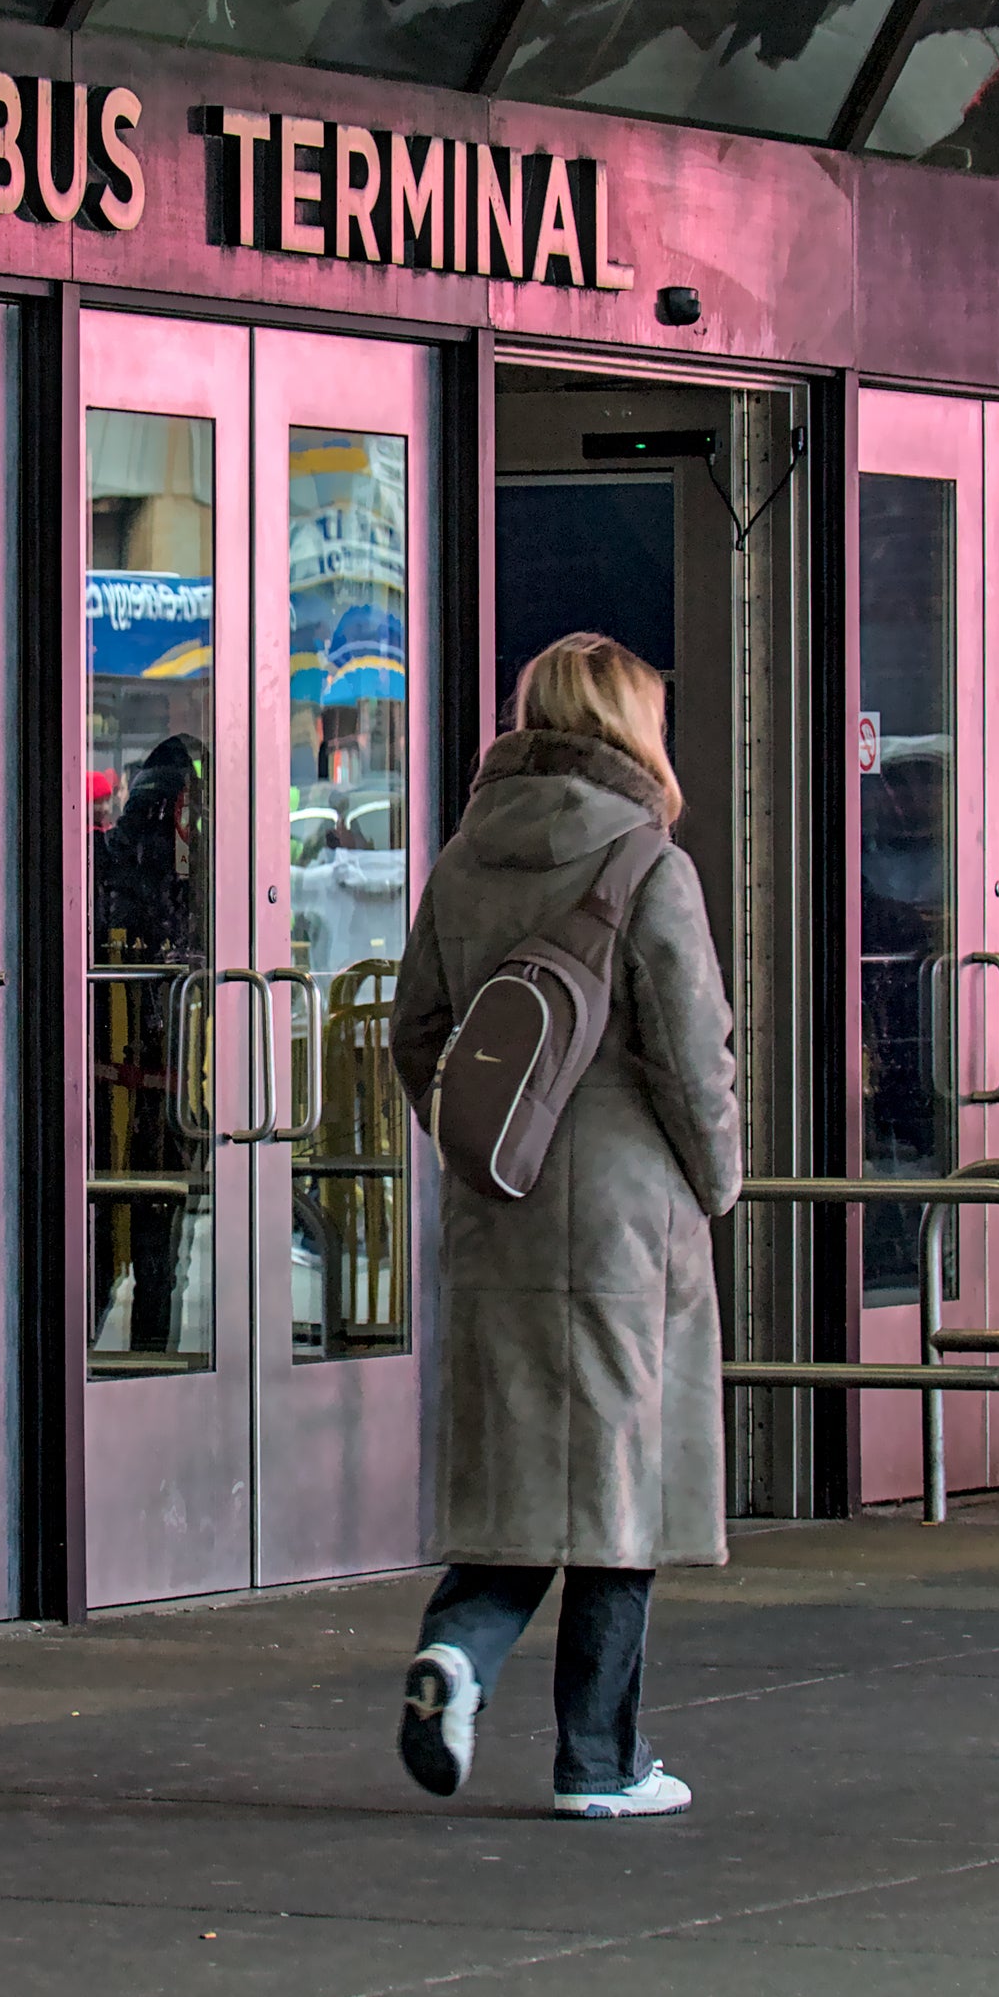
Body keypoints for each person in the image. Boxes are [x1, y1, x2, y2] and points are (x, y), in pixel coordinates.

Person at [387, 633, 738, 1817]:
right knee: (619, 1492)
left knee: (525, 1474)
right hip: (625, 1222)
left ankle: (457, 1653)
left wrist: (498, 1132)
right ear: (632, 724)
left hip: (502, 1206)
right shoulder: (648, 864)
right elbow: (695, 1058)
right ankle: (603, 1761)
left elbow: (417, 1034)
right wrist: (717, 1178)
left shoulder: (463, 858)